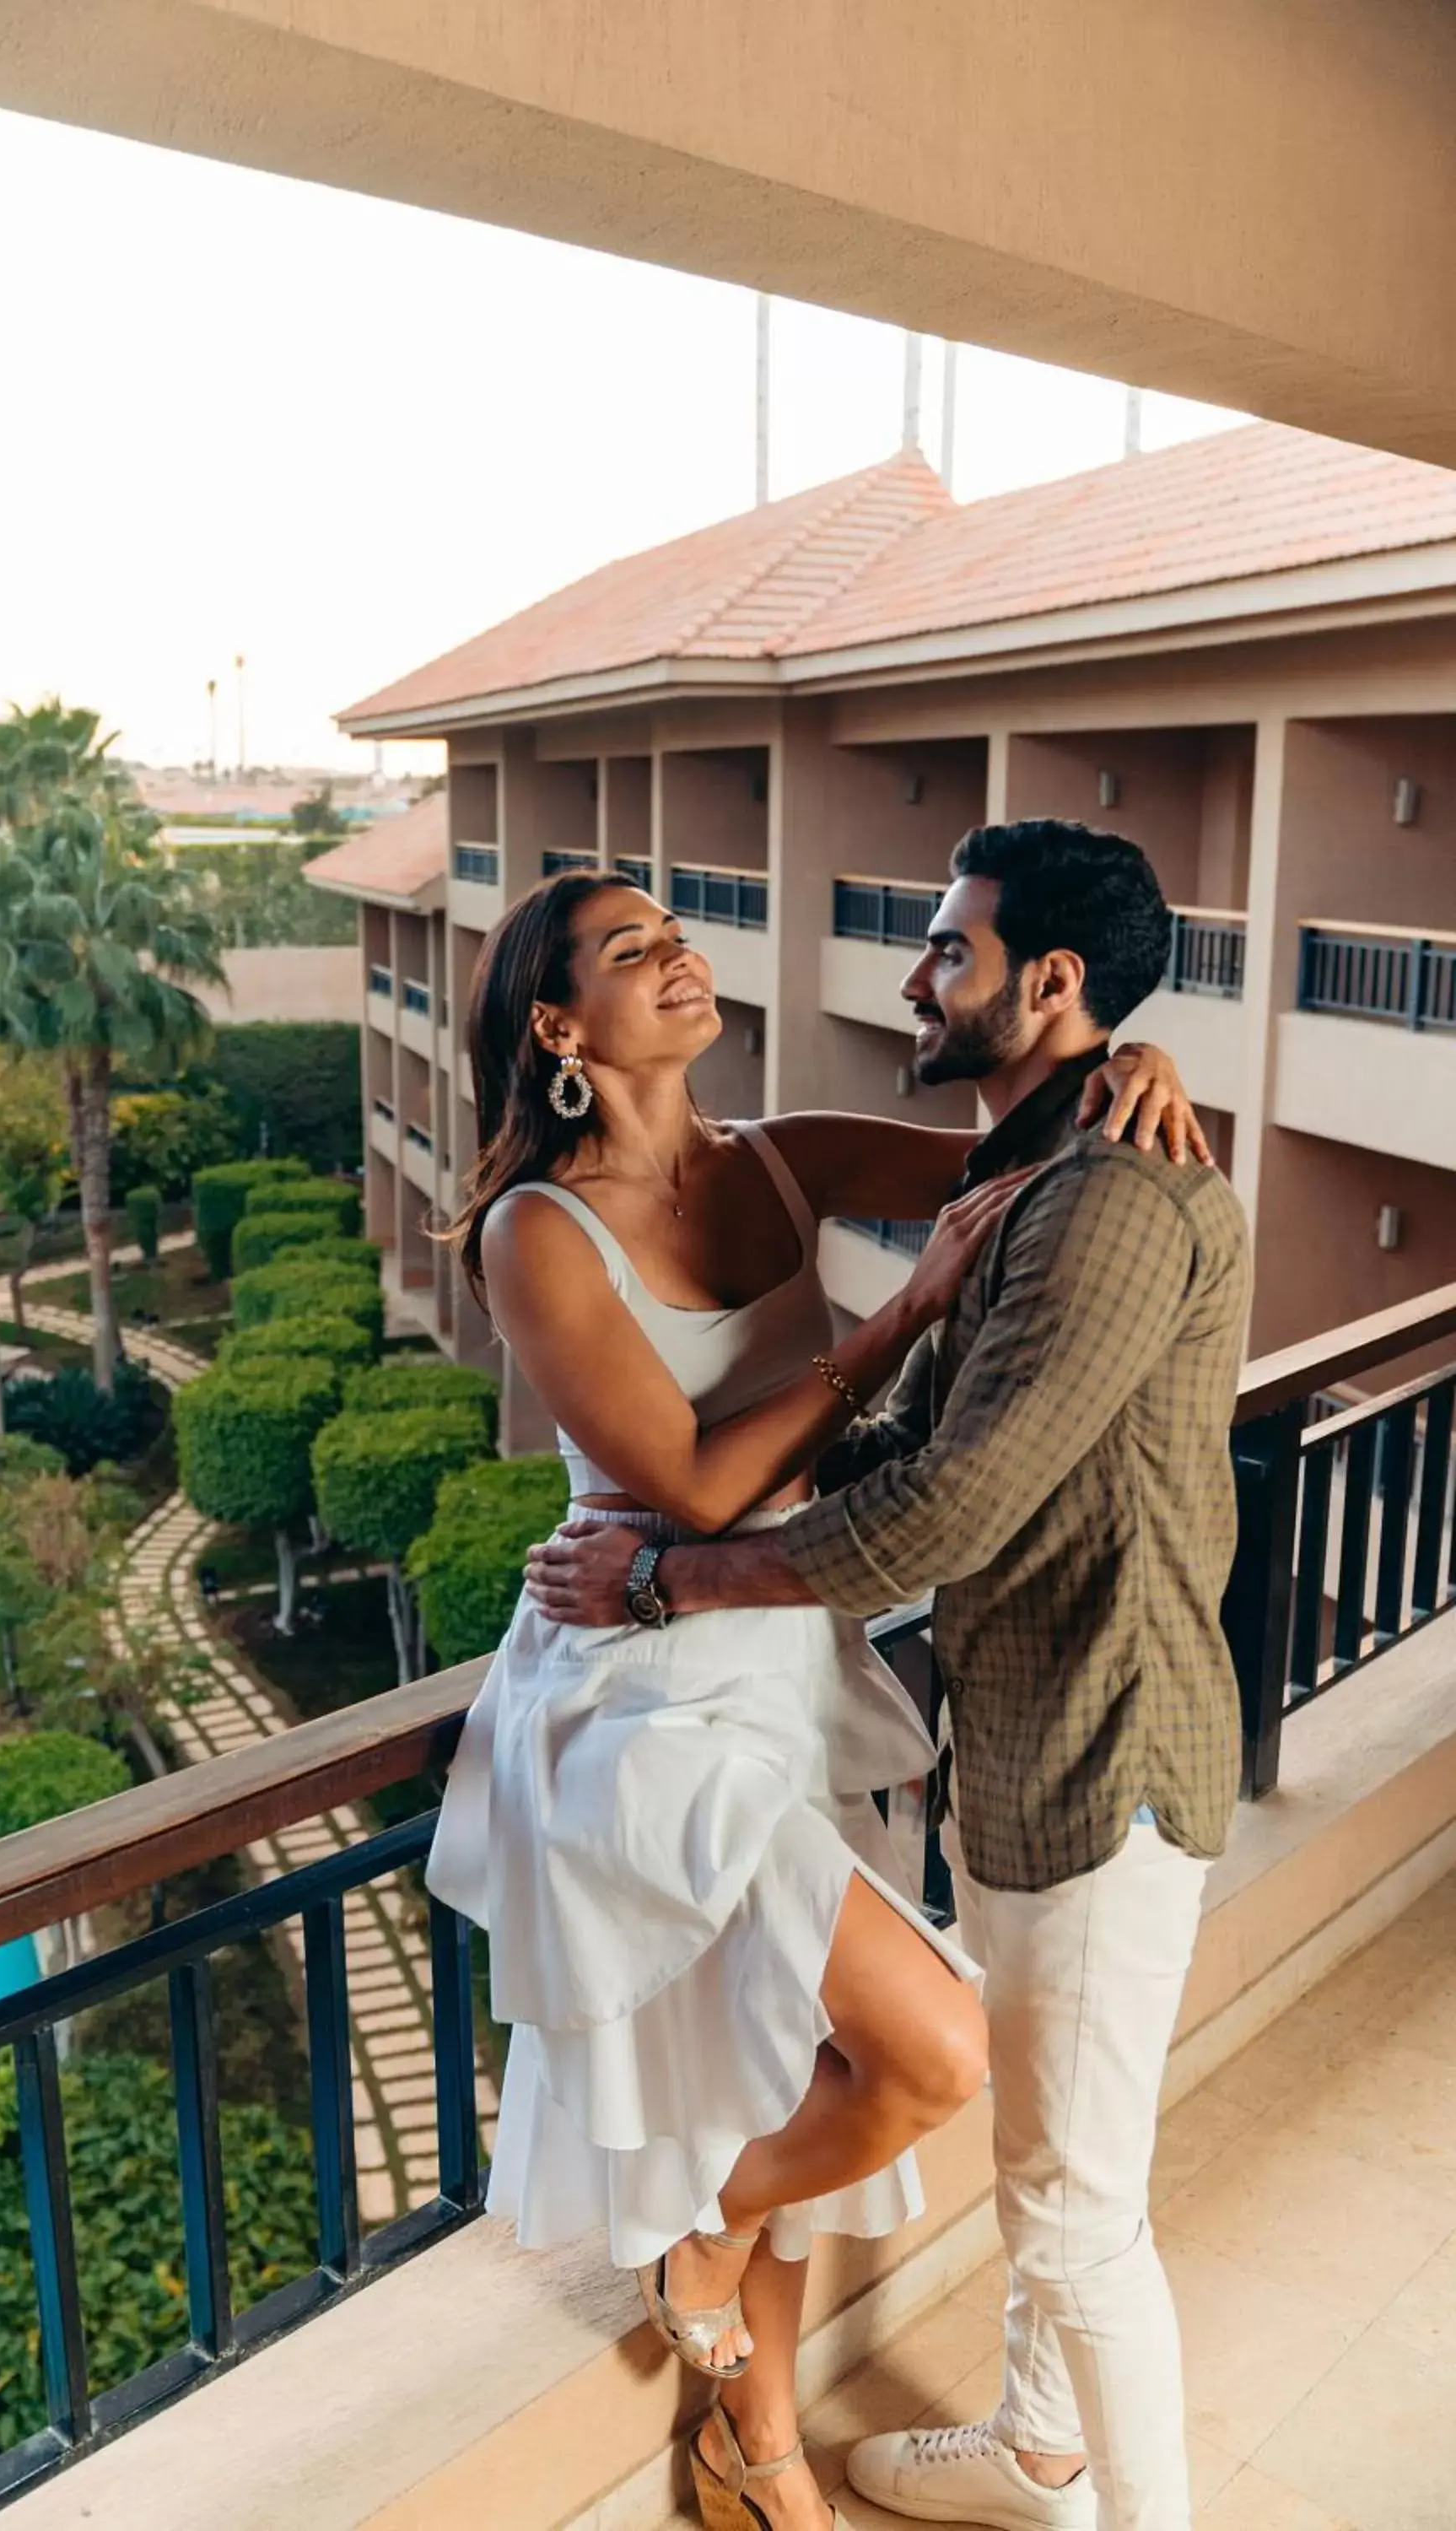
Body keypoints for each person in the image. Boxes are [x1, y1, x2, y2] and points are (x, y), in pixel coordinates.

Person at [427, 855, 1209, 2531]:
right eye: (636, 950)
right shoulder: (531, 1232)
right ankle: (709, 2250)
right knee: (929, 2047)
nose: (681, 958)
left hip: (782, 1650)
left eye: (676, 933)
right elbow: (693, 1486)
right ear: (563, 1022)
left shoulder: (776, 1161)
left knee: (767, 2045)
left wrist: (1132, 1056)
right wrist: (908, 1305)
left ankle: (754, 2434)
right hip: (637, 1676)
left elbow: (1019, 1142)